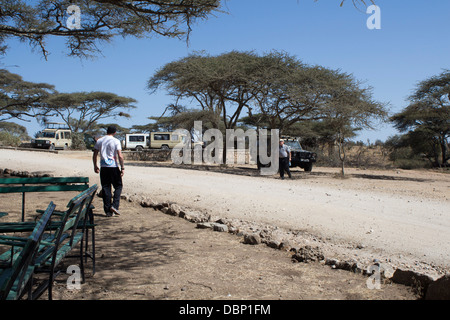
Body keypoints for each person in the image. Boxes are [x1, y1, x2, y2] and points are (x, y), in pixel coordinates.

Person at [93, 126, 125, 216]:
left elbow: (95, 154)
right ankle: (115, 206)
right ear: (114, 133)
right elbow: (120, 156)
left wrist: (95, 165)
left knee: (106, 188)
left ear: (107, 131)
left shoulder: (100, 141)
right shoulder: (116, 141)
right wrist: (122, 168)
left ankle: (108, 211)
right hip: (113, 167)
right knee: (118, 186)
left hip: (104, 167)